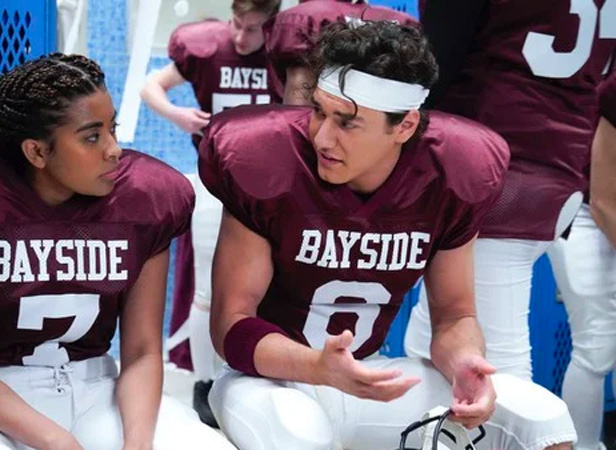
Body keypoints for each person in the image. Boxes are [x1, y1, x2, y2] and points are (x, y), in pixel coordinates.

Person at [200, 21, 576, 450]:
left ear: (404, 126)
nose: (322, 136)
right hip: (268, 385)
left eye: (348, 122)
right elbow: (231, 325)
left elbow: (455, 316)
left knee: (542, 419)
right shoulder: (267, 160)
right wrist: (316, 366)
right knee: (298, 432)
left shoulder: (451, 172)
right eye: (319, 111)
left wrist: (465, 363)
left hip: (367, 378)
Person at [0, 53, 234, 450]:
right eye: (92, 136)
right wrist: (56, 441)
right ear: (37, 152)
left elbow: (140, 353)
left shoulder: (145, 199)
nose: (114, 149)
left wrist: (137, 445)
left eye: (112, 128)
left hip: (97, 391)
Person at [404, 0, 616, 380]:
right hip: (560, 165)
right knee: (434, 340)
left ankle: (543, 441)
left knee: (495, 370)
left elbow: (432, 64)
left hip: (494, 166)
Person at [140, 0, 281, 427]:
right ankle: (204, 383)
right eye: (237, 23)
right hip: (213, 183)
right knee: (207, 290)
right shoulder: (206, 46)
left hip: (270, 190)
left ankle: (254, 373)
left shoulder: (284, 52)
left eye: (254, 28)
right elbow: (151, 85)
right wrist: (177, 114)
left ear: (272, 24)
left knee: (270, 289)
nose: (241, 36)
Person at [544, 72, 616, 450]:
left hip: (603, 201)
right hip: (585, 206)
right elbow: (605, 201)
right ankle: (582, 445)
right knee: (598, 342)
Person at [264, 0, 418, 105]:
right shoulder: (402, 21)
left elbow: (298, 110)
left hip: (326, 138)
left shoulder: (304, 18)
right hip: (385, 138)